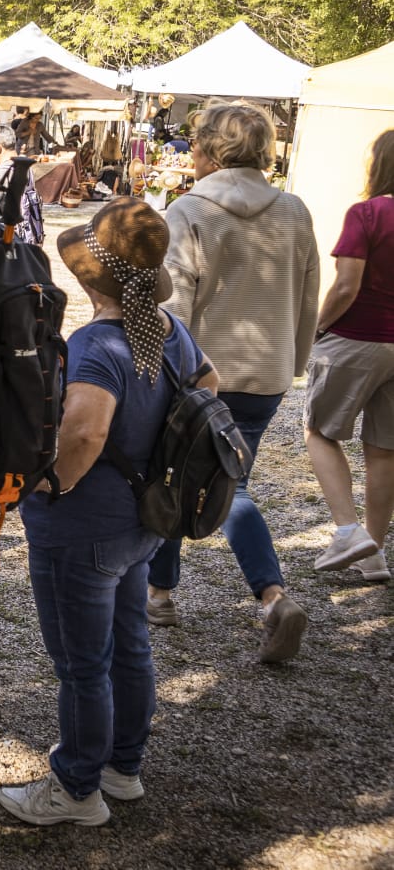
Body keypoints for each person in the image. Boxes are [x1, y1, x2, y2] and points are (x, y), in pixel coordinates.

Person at [0, 200, 213, 825]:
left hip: (83, 528)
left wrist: (46, 486)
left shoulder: (96, 345)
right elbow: (210, 385)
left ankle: (76, 787)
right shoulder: (169, 331)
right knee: (130, 648)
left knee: (81, 666)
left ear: (89, 277)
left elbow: (86, 434)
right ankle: (123, 767)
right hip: (141, 522)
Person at [149, 102, 318, 662]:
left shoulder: (189, 211)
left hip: (203, 373)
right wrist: (295, 361)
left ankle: (177, 592)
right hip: (266, 373)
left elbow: (170, 305)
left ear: (207, 149)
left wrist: (157, 369)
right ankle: (194, 594)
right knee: (228, 476)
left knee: (176, 471)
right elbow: (308, 292)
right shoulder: (294, 210)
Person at [305, 128, 394, 583]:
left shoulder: (368, 213)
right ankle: (373, 553)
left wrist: (319, 327)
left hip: (358, 336)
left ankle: (347, 529)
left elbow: (346, 285)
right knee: (384, 452)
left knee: (320, 431)